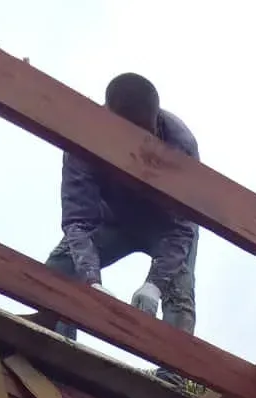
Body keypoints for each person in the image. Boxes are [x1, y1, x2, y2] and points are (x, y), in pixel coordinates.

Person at [45, 73, 198, 381]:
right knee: (60, 267)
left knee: (179, 291)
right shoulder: (84, 138)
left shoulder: (180, 144)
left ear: (156, 122)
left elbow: (182, 228)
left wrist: (155, 283)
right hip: (112, 218)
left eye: (147, 134)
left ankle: (173, 376)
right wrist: (90, 279)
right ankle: (58, 347)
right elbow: (78, 221)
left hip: (166, 226)